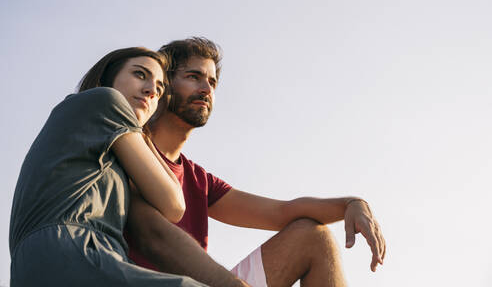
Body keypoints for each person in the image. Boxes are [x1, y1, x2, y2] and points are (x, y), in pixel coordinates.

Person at [125, 38, 386, 287]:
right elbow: (152, 236)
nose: (206, 89)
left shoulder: (199, 180)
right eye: (193, 77)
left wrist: (350, 204)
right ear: (163, 84)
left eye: (212, 82)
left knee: (313, 236)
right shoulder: (130, 147)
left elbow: (281, 212)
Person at [9, 47, 208, 287]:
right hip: (75, 249)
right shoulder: (105, 99)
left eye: (159, 87)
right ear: (106, 78)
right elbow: (174, 205)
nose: (151, 90)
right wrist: (143, 135)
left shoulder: (92, 141)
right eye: (140, 74)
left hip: (40, 262)